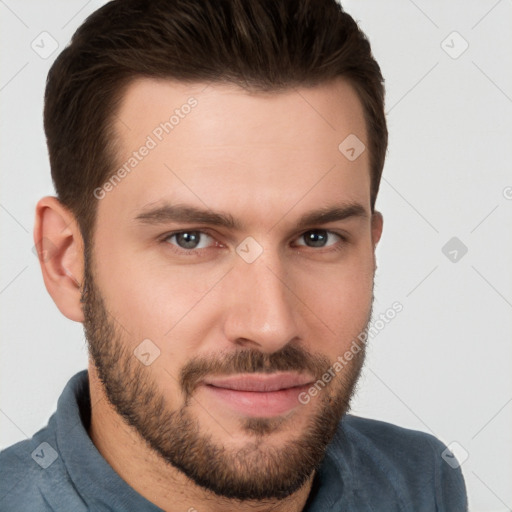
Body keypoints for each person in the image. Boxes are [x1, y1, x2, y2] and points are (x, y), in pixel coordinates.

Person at [0, 0, 468, 510]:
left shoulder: (420, 482)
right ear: (67, 262)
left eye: (317, 237)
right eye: (191, 239)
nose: (271, 325)